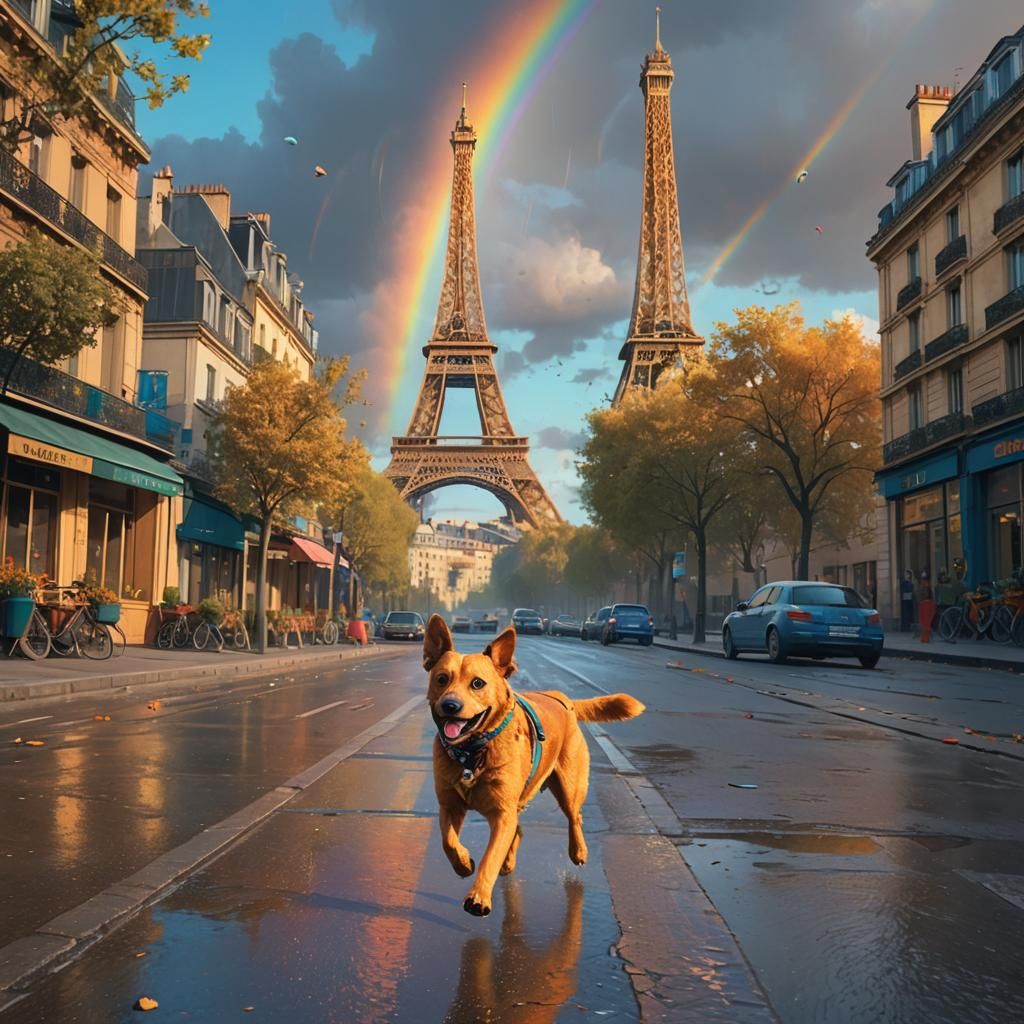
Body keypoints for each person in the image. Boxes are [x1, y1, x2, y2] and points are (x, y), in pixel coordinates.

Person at [918, 571, 936, 643]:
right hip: (926, 604)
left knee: (925, 623)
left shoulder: (925, 587)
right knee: (925, 622)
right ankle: (925, 638)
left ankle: (925, 638)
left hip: (925, 604)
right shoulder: (927, 587)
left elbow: (924, 595)